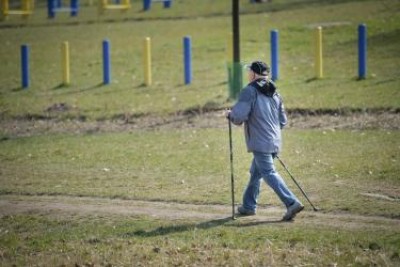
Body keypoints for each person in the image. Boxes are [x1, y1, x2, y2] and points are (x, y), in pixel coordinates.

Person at [227, 60, 304, 221]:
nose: (247, 74)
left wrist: (230, 115)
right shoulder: (275, 92)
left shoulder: (249, 91)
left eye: (249, 71)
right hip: (274, 141)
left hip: (261, 141)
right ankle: (248, 206)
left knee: (268, 172)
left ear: (254, 74)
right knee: (256, 173)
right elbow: (282, 121)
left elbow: (239, 117)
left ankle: (291, 202)